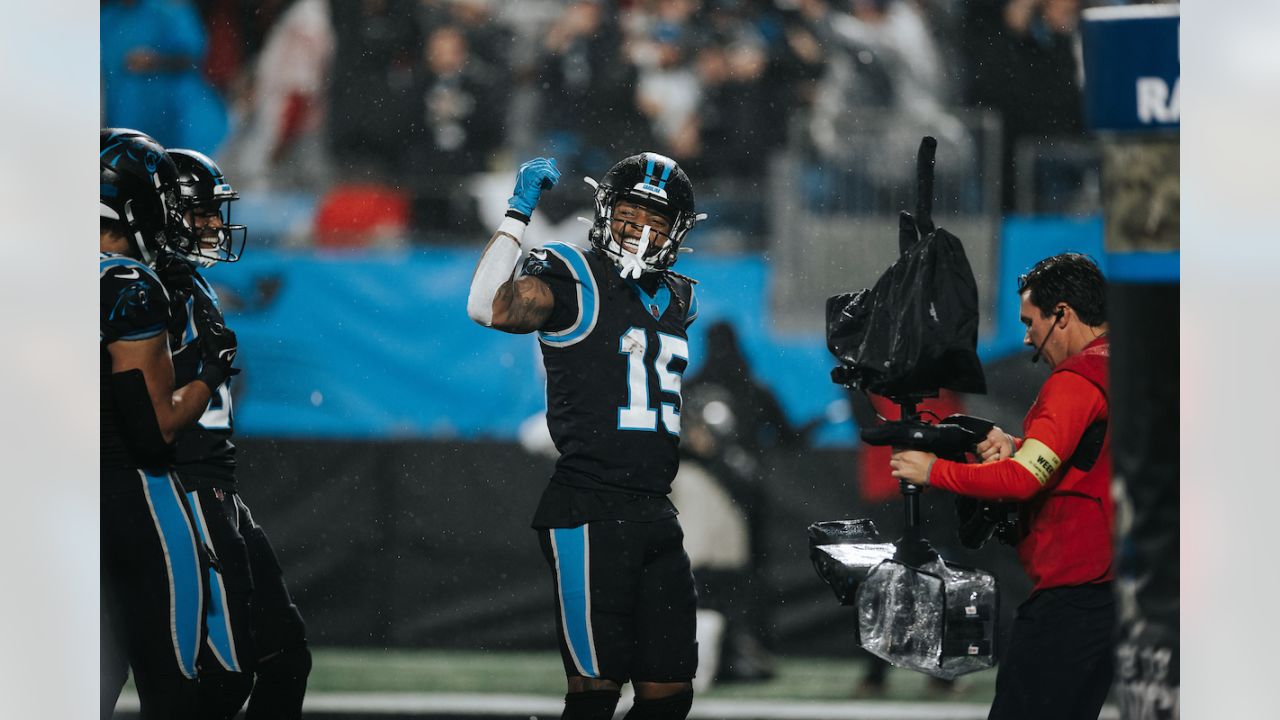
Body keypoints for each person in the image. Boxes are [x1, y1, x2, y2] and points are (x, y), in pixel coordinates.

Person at [466, 153, 706, 720]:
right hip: (590, 507)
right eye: (628, 215)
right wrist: (518, 213)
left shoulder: (678, 296)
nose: (640, 231)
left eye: (656, 221)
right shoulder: (572, 274)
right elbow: (485, 307)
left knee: (670, 695)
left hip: (655, 510)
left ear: (678, 232)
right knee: (595, 694)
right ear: (604, 212)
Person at [889, 252, 1114, 720]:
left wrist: (931, 470)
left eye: (1031, 322)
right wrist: (1015, 442)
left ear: (1063, 314)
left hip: (1075, 593)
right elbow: (1089, 456)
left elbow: (1021, 479)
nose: (1028, 337)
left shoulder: (1075, 379)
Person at [159, 148, 312, 720]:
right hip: (181, 489)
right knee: (219, 676)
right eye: (199, 213)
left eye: (214, 212)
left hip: (217, 487)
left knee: (284, 658)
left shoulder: (190, 285)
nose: (214, 226)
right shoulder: (143, 289)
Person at [99, 128, 238, 718]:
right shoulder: (127, 286)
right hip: (135, 493)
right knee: (177, 684)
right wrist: (211, 368)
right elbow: (155, 430)